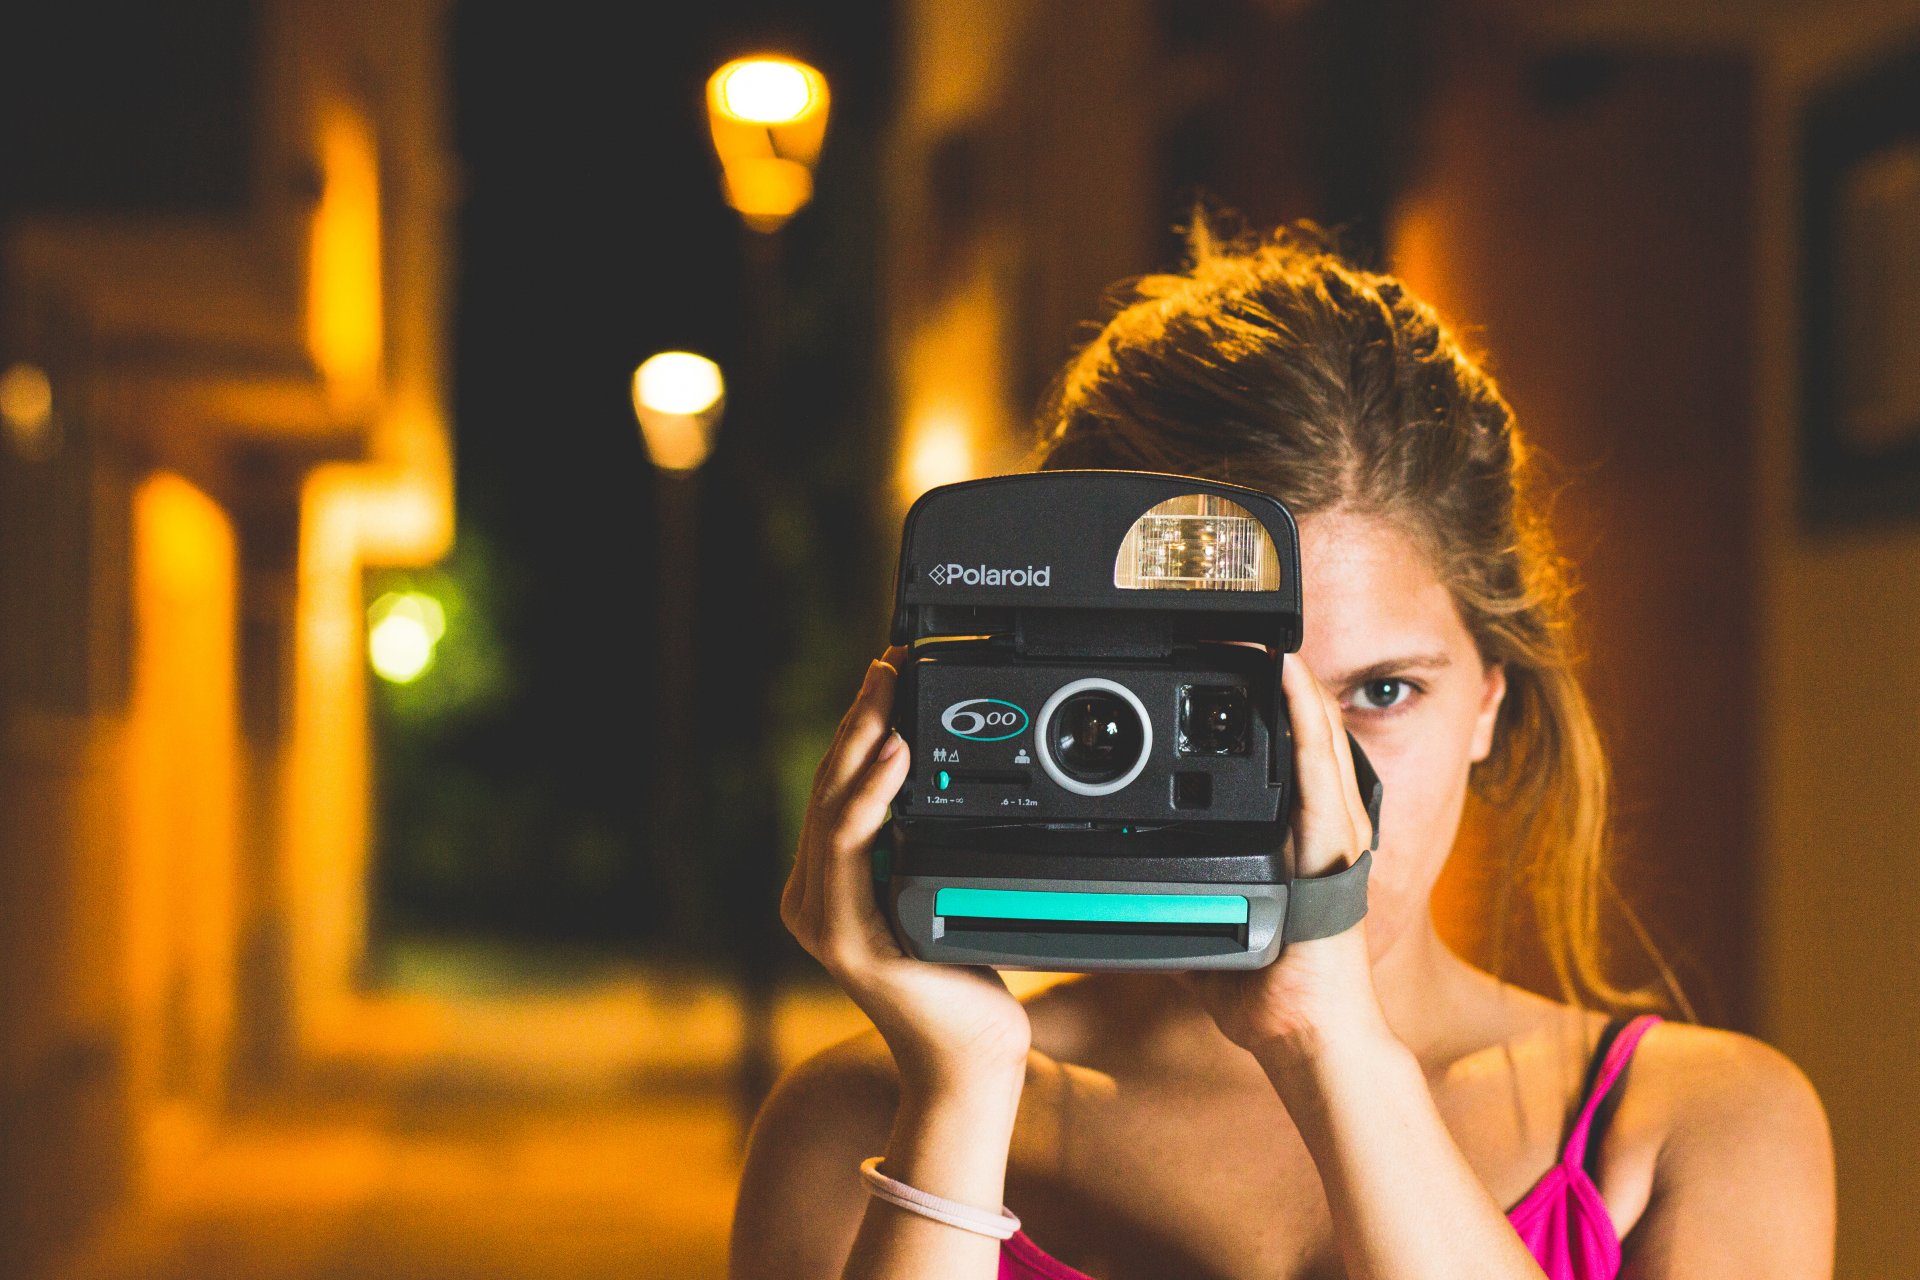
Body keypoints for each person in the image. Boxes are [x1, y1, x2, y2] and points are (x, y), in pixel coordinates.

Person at [728, 222, 1834, 1279]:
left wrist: (1331, 1047)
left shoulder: (1705, 1123)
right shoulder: (859, 1121)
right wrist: (962, 1090)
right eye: (1232, 708)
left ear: (1492, 699)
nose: (1318, 782)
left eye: (1382, 692)